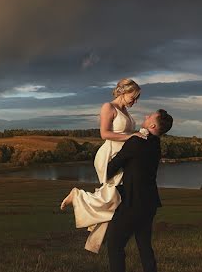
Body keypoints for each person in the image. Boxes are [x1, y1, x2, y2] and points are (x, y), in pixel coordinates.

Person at [60, 78, 147, 253]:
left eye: (137, 98)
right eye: (134, 97)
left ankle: (95, 239)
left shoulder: (125, 111)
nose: (135, 101)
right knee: (112, 194)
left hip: (122, 156)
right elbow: (104, 133)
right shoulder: (108, 107)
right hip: (109, 155)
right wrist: (133, 136)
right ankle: (77, 196)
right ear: (123, 92)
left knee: (116, 198)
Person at [105, 108, 173, 272]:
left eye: (149, 116)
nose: (145, 117)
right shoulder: (156, 144)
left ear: (152, 125)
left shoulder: (136, 143)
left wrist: (106, 156)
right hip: (150, 203)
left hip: (132, 203)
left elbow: (111, 168)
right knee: (144, 248)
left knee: (115, 245)